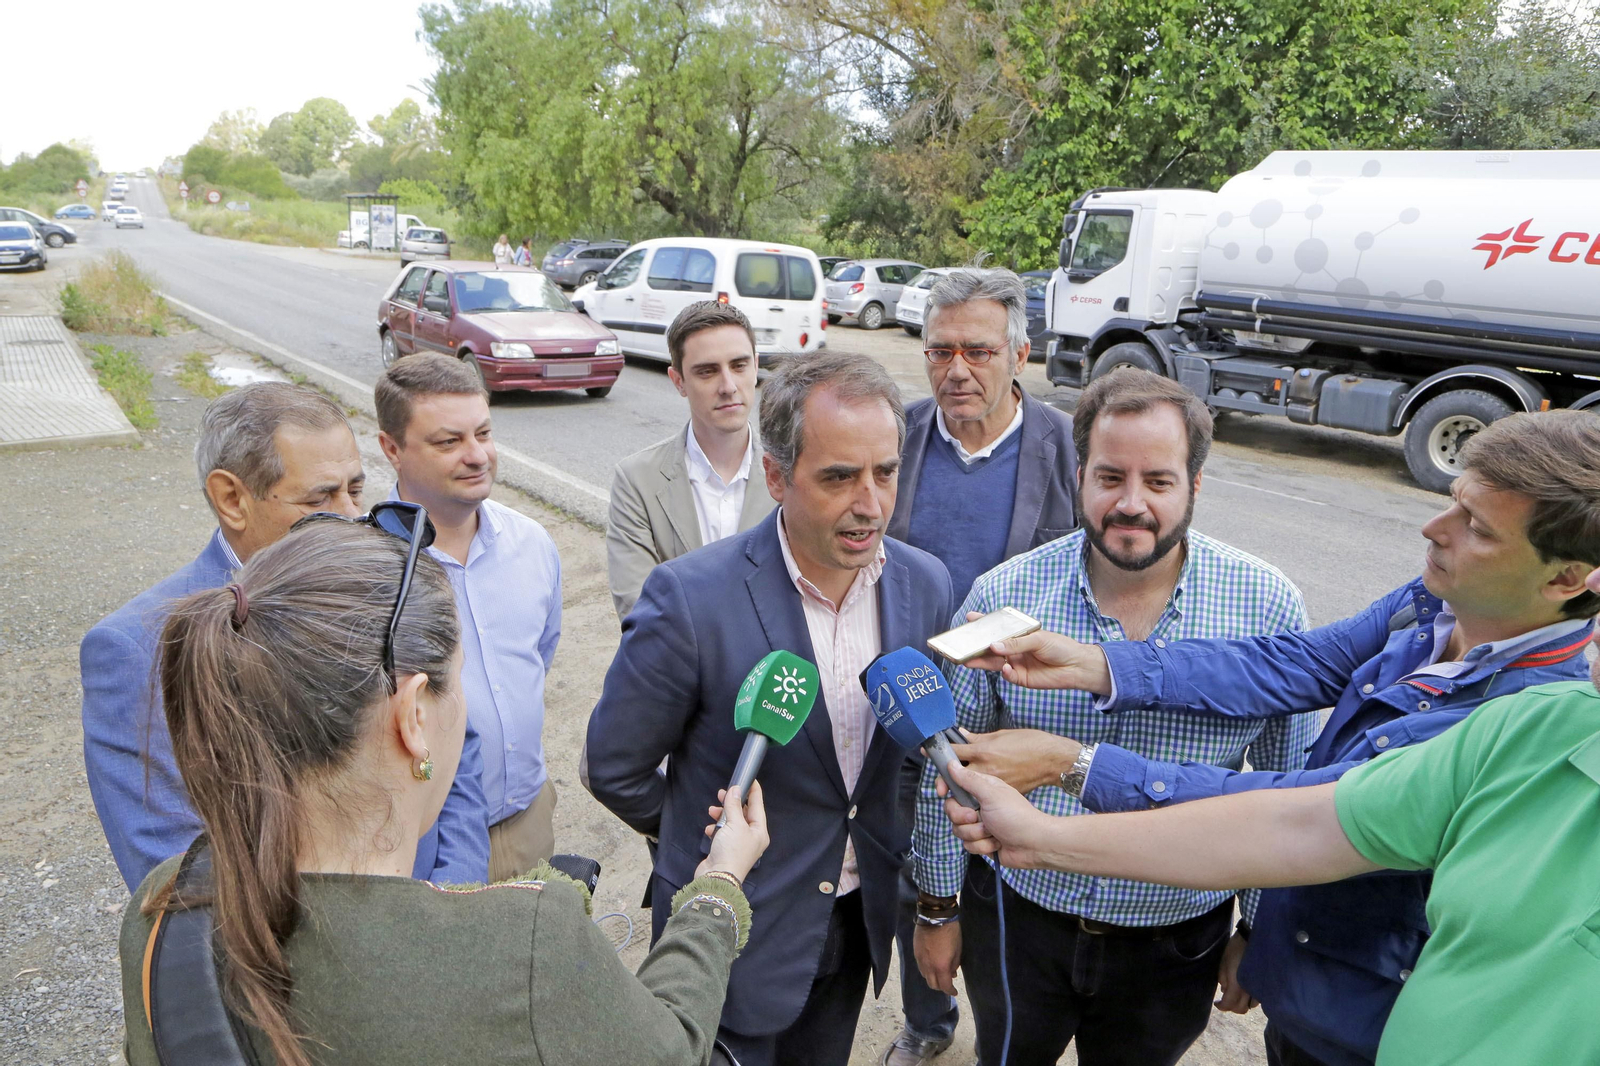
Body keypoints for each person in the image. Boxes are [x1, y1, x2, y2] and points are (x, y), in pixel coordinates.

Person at [953, 409, 1600, 1066]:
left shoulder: (1523, 717)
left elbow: (1295, 808)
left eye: (1478, 529)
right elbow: (1295, 665)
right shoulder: (1436, 602)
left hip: (1363, 1027)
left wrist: (1072, 765)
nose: (1434, 529)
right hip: (1309, 993)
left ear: (1566, 579)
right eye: (1454, 502)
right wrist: (1099, 663)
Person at [118, 517, 772, 1066]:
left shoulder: (168, 902)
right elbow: (672, 1048)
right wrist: (718, 887)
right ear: (413, 717)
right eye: (457, 681)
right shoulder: (527, 943)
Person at [913, 368, 1316, 1066]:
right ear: (1078, 476)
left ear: (1195, 485)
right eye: (1109, 478)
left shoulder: (1267, 608)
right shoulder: (1005, 595)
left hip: (1175, 939)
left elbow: (1292, 785)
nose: (1131, 504)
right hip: (1020, 920)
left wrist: (1258, 925)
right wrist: (938, 907)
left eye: (1158, 481)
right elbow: (949, 765)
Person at [585, 352, 955, 1066]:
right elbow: (615, 767)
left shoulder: (925, 584)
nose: (871, 503)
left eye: (885, 472)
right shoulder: (690, 599)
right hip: (731, 931)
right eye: (840, 477)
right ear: (778, 477)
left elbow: (904, 758)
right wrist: (711, 849)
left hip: (855, 924)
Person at [82, 383, 489, 892]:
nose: (351, 518)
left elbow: (454, 740)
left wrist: (452, 903)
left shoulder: (390, 581)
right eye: (320, 497)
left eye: (356, 490)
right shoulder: (136, 650)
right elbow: (179, 873)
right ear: (232, 498)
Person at [879, 264, 1079, 1066]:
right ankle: (927, 1022)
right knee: (914, 871)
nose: (957, 369)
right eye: (940, 351)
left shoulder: (1068, 448)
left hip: (1019, 710)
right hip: (913, 700)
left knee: (1005, 878)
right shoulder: (898, 437)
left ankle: (1005, 1025)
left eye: (978, 351)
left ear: (1020, 354)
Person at [377, 353, 563, 884]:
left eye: (483, 432)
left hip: (529, 820)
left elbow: (537, 658)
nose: (477, 455)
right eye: (448, 441)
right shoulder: (368, 568)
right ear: (392, 448)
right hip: (422, 848)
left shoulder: (533, 545)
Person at [607, 301, 777, 622]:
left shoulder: (795, 471)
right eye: (707, 371)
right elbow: (640, 610)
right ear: (678, 381)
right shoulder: (637, 481)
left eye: (739, 366)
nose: (728, 387)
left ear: (755, 367)